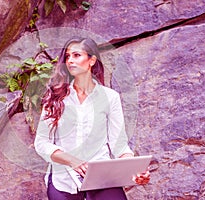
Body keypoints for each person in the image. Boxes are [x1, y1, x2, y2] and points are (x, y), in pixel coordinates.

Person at [34, 37, 150, 200]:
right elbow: (41, 143)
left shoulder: (110, 97)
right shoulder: (55, 97)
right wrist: (72, 160)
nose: (70, 61)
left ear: (92, 60)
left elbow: (119, 146)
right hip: (64, 180)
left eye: (76, 55)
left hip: (102, 179)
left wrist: (134, 170)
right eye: (67, 57)